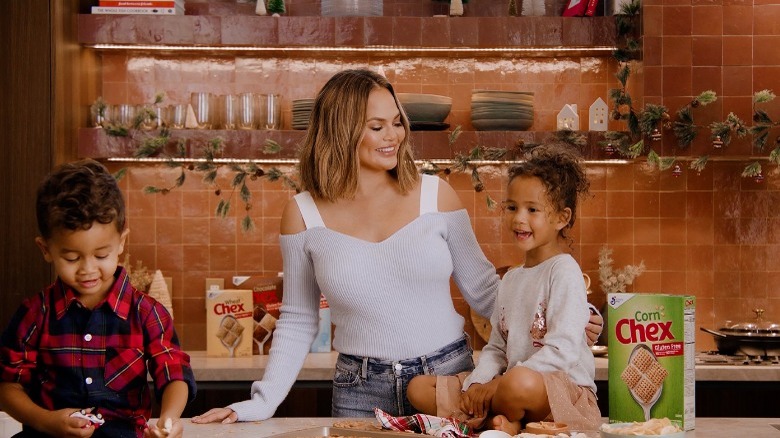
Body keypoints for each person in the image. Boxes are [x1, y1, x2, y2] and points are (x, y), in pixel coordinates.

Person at [192, 69, 602, 424]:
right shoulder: (302, 215)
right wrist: (261, 403)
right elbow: (299, 319)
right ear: (341, 130)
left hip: (447, 380)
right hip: (359, 390)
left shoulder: (435, 196)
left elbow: (487, 293)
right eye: (377, 126)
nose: (394, 136)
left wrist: (570, 312)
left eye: (397, 122)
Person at [406, 145, 602, 433]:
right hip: (507, 384)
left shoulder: (563, 271)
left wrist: (498, 384)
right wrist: (478, 385)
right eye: (511, 207)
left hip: (556, 392)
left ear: (562, 218)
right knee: (418, 388)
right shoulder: (510, 279)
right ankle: (503, 421)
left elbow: (563, 351)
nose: (519, 218)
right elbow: (497, 347)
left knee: (517, 382)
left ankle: (496, 419)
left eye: (532, 210)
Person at [0, 159, 196, 438]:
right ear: (46, 249)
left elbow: (174, 372)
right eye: (71, 258)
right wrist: (46, 421)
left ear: (121, 242)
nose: (88, 269)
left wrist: (168, 418)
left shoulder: (147, 313)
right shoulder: (35, 313)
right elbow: (8, 385)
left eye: (101, 255)